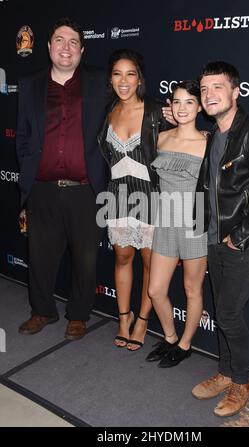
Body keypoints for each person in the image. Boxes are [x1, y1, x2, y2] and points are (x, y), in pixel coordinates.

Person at [191, 61, 249, 416]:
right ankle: (227, 372)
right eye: (204, 89)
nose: (209, 94)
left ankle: (244, 381)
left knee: (228, 315)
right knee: (222, 311)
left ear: (236, 92)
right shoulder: (215, 136)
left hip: (247, 241)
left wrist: (238, 237)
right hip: (217, 239)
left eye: (217, 87)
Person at [16, 17, 108, 341]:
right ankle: (42, 310)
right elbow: (23, 135)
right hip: (42, 189)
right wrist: (30, 164)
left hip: (86, 190)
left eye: (72, 42)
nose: (65, 47)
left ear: (81, 50)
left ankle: (78, 315)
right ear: (48, 47)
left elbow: (133, 106)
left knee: (85, 259)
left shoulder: (100, 82)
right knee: (39, 256)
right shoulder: (30, 85)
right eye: (59, 40)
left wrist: (166, 115)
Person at [98, 49, 170, 351]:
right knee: (122, 257)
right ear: (111, 79)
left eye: (130, 74)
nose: (123, 80)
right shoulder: (109, 111)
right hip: (117, 197)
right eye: (117, 74)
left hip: (150, 197)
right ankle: (123, 318)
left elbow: (176, 149)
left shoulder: (156, 112)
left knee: (149, 262)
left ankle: (142, 320)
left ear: (139, 78)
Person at [145, 80, 208, 367]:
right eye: (177, 101)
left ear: (199, 107)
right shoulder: (161, 138)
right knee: (155, 290)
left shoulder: (209, 142)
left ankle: (185, 344)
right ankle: (170, 337)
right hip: (166, 220)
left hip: (195, 222)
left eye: (189, 102)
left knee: (192, 290)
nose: (182, 108)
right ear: (170, 105)